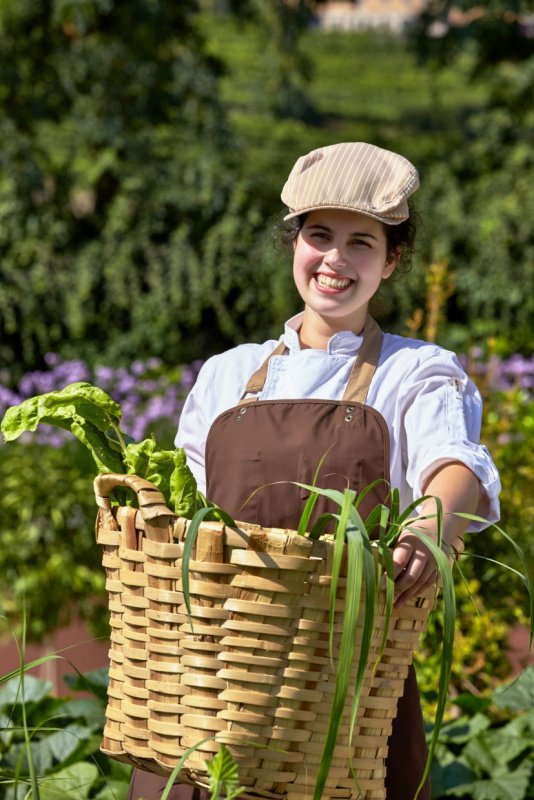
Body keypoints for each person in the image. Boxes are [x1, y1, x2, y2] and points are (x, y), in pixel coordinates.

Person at [127, 142, 501, 799]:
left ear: (392, 260)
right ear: (293, 244)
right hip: (214, 690)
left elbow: (455, 464)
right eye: (318, 235)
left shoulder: (417, 371)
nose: (334, 259)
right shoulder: (226, 375)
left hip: (348, 691)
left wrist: (427, 527)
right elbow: (183, 505)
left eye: (361, 242)